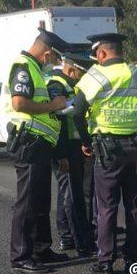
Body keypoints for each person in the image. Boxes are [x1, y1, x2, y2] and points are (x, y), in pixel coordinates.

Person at [72, 33, 137, 274]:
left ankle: (105, 261)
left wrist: (86, 142)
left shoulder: (95, 75)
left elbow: (77, 111)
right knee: (135, 205)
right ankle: (132, 259)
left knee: (106, 207)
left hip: (108, 150)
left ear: (101, 53)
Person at [7, 29, 73, 273]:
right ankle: (20, 256)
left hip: (42, 145)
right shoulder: (23, 66)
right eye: (55, 59)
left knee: (41, 200)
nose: (55, 64)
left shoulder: (36, 69)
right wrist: (52, 106)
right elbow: (19, 103)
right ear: (47, 54)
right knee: (27, 203)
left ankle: (41, 250)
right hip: (29, 144)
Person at [46, 50, 96, 258]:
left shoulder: (70, 85)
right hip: (63, 146)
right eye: (81, 73)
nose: (83, 77)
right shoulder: (56, 85)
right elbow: (59, 118)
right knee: (72, 196)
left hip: (73, 145)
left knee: (69, 192)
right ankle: (80, 242)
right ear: (71, 68)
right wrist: (61, 154)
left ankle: (67, 237)